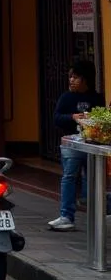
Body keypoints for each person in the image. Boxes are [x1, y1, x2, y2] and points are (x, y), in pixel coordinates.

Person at [49, 57, 104, 231]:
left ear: (85, 79)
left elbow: (102, 119)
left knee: (93, 179)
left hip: (91, 143)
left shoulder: (96, 98)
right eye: (70, 77)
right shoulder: (66, 97)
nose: (71, 80)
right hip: (71, 144)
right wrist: (72, 117)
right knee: (69, 177)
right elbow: (57, 118)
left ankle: (96, 214)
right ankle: (66, 216)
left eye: (75, 77)